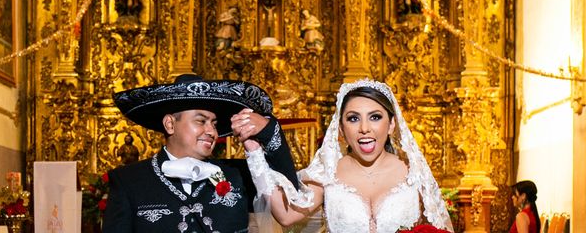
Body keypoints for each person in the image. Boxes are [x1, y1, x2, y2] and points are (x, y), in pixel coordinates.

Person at [241, 78, 453, 233]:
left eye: (375, 117)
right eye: (353, 119)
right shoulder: (327, 172)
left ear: (391, 125)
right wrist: (254, 152)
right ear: (340, 129)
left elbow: (439, 226)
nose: (364, 128)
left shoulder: (413, 172)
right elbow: (286, 216)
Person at [103, 74, 299, 232]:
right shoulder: (128, 181)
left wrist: (268, 129)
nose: (211, 132)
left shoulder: (238, 175)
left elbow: (291, 201)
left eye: (214, 124)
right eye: (200, 121)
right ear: (170, 124)